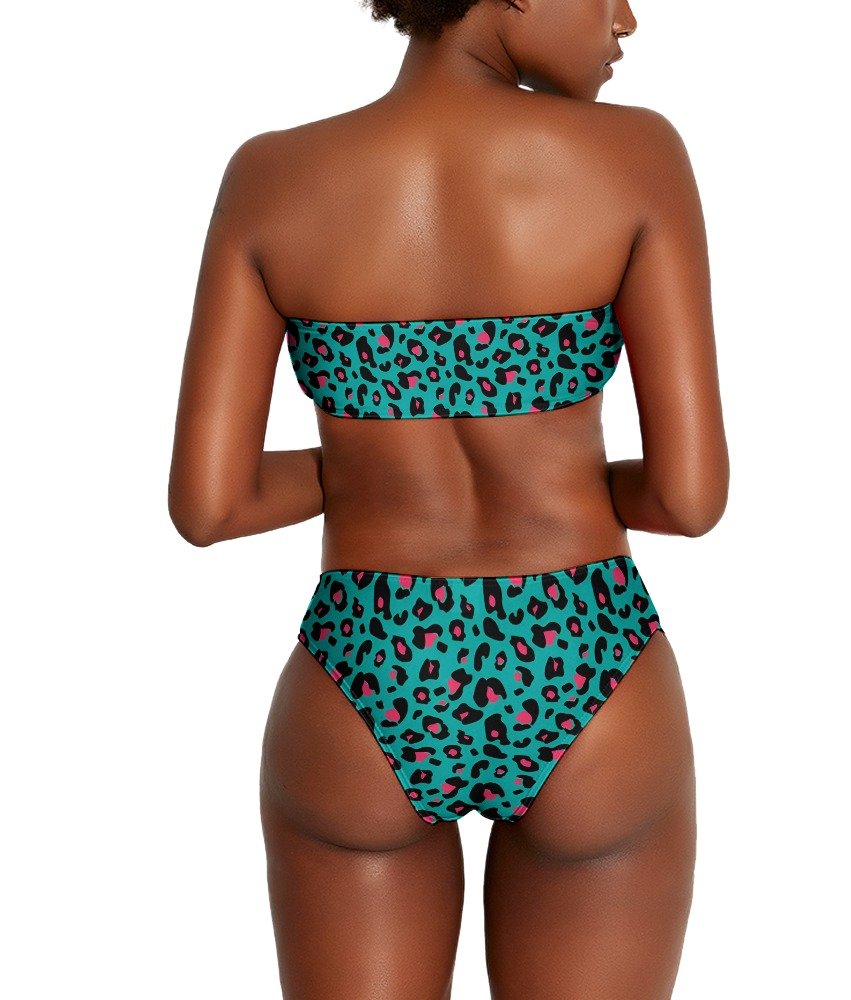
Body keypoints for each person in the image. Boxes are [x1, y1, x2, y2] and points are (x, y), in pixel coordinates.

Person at [168, 0, 729, 994]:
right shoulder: (635, 157)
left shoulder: (272, 177)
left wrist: (369, 468)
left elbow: (211, 506)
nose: (627, 18)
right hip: (586, 652)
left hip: (365, 662)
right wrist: (560, 477)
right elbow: (688, 500)